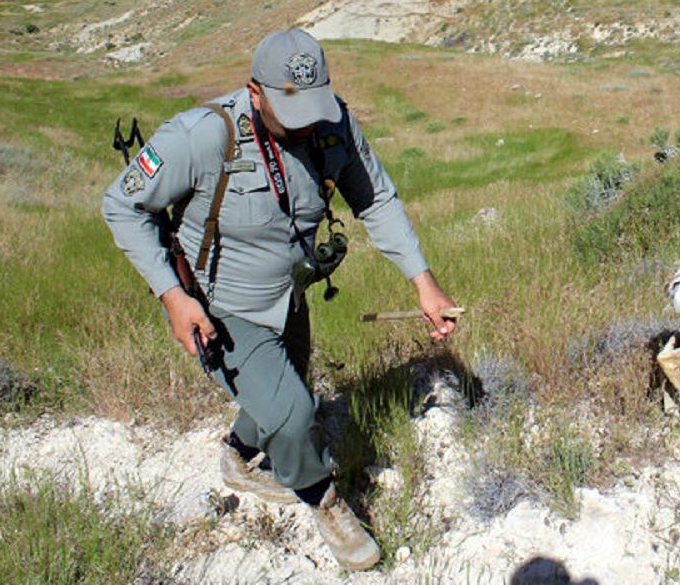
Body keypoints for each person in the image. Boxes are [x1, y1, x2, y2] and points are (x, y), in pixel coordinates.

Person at [102, 28, 457, 570]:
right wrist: (173, 297)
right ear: (256, 91)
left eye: (314, 107)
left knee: (286, 386)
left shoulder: (333, 125)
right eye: (292, 110)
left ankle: (238, 458)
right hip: (222, 305)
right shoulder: (202, 135)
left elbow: (376, 198)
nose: (308, 123)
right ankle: (325, 501)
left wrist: (423, 282)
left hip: (289, 294)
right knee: (295, 414)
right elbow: (122, 207)